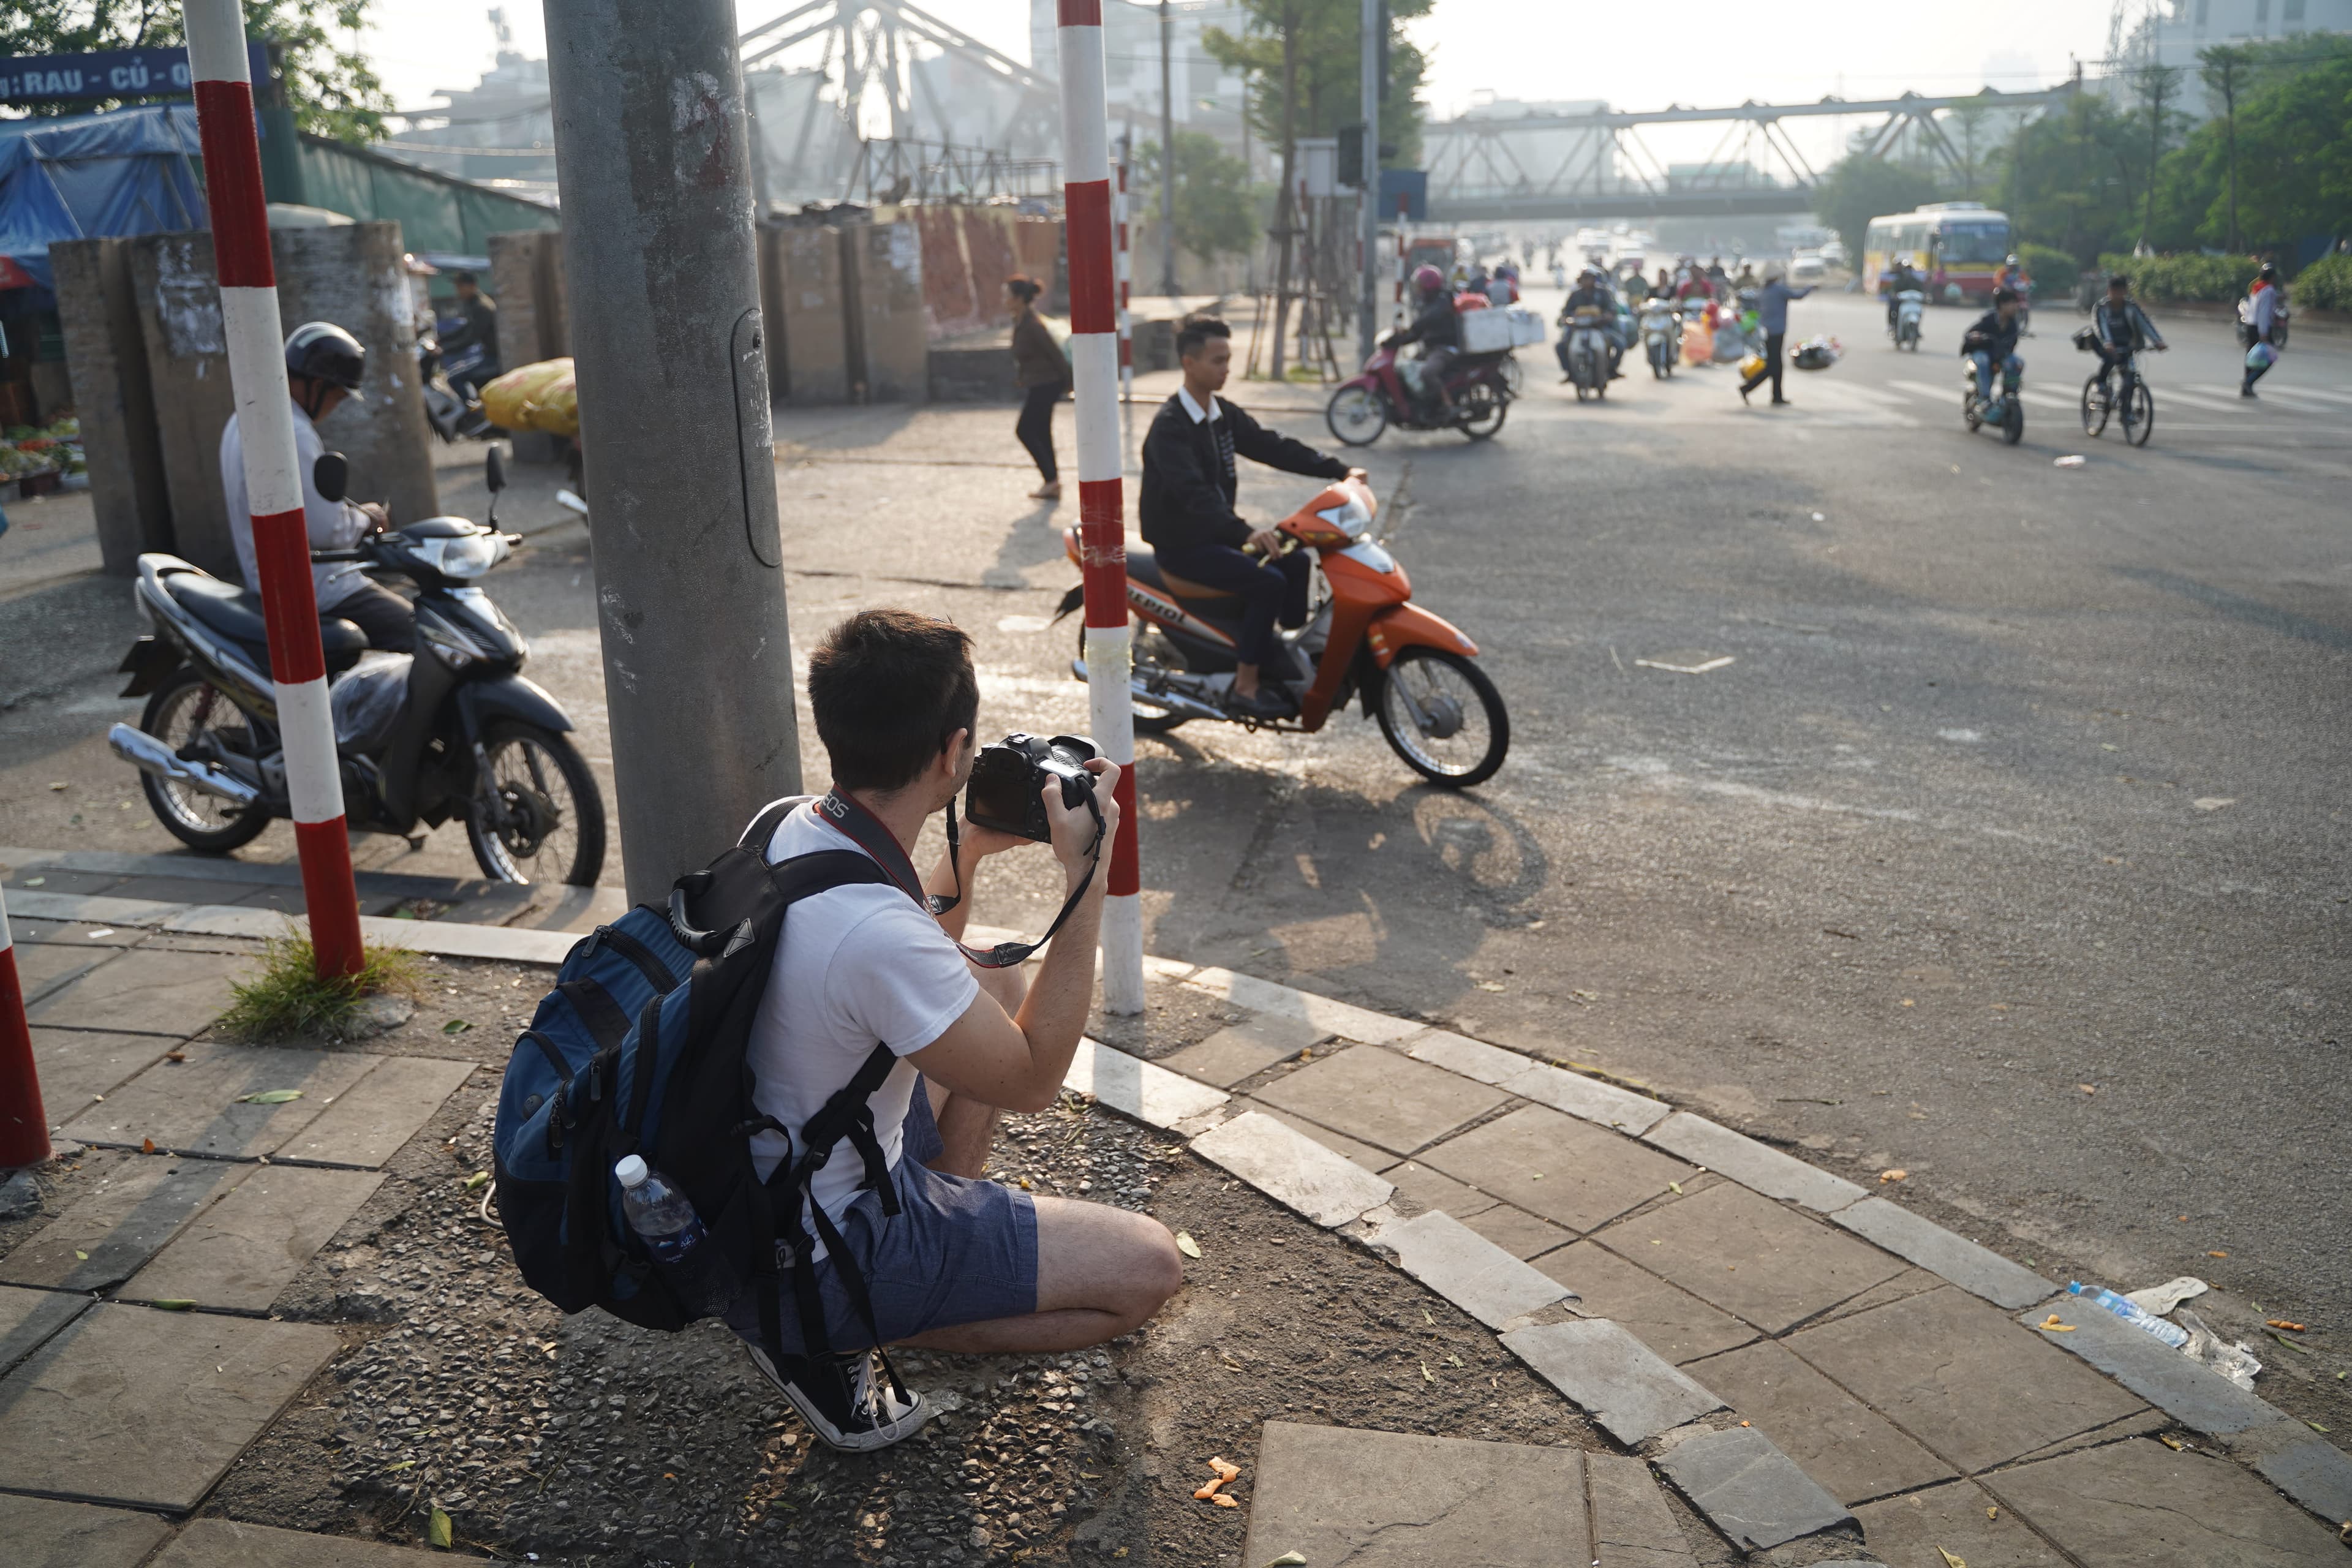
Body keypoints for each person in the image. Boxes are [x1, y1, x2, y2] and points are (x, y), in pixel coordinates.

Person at [728, 609, 1179, 1450]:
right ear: (952, 752)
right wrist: (1089, 880)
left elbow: (912, 952)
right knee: (1148, 1269)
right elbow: (1037, 1079)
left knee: (993, 975)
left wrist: (966, 854)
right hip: (825, 1242)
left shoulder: (792, 824)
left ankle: (933, 1259)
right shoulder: (875, 935)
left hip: (767, 1181)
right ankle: (835, 1327)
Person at [1139, 317, 1357, 719]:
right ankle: (1246, 685)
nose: (1226, 369)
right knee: (1267, 582)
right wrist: (1246, 532)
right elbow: (1194, 495)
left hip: (1214, 535)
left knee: (1295, 559)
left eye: (1228, 359)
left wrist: (1338, 470)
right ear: (1189, 363)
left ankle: (1279, 653)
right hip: (1182, 545)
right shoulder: (1170, 427)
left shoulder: (1221, 414)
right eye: (1217, 361)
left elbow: (1273, 446)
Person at [220, 323, 412, 653]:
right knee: (421, 631)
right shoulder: (293, 431)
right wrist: (367, 518)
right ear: (318, 385)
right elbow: (327, 530)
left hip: (270, 580)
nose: (334, 408)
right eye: (337, 398)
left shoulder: (245, 418)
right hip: (318, 588)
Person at [1006, 276, 1066, 500]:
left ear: (1019, 299)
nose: (1005, 300)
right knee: (1041, 431)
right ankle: (1052, 482)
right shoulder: (1021, 321)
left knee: (1025, 430)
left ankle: (1050, 479)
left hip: (1047, 384)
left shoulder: (1033, 325)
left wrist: (1069, 382)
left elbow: (1055, 354)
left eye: (1008, 295)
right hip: (1038, 383)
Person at [1393, 264, 1464, 417]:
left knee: (1427, 373)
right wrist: (1399, 340)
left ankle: (1448, 404)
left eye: (1419, 286)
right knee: (1406, 370)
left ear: (1428, 285)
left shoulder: (1443, 301)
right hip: (1431, 348)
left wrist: (1412, 327)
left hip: (1445, 348)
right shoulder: (1428, 303)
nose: (1417, 290)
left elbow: (1426, 321)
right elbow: (1418, 332)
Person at [1739, 261, 1812, 407]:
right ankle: (1747, 388)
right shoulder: (1779, 290)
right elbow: (1798, 296)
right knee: (1773, 366)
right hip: (1777, 331)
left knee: (1776, 365)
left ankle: (1777, 396)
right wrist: (1810, 288)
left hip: (1766, 331)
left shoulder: (1762, 292)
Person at [2090, 273, 2166, 410]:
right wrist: (2108, 343)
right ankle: (2100, 383)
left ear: (2125, 291)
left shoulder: (2131, 307)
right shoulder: (2102, 308)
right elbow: (2100, 327)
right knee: (2110, 359)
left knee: (2129, 378)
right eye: (2114, 291)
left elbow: (2145, 324)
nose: (2117, 295)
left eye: (2120, 291)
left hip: (2126, 345)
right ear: (2109, 291)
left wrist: (2158, 341)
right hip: (2104, 344)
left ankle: (2126, 411)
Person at [437, 271, 500, 397]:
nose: (458, 291)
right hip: (487, 356)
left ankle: (472, 414)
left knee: (455, 378)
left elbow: (471, 338)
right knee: (454, 372)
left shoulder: (482, 307)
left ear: (472, 286)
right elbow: (465, 329)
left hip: (494, 359)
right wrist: (440, 340)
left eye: (461, 287)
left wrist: (443, 350)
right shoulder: (474, 304)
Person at [1961, 287, 2026, 405]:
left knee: (2018, 362)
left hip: (2001, 354)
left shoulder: (2013, 323)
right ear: (2002, 304)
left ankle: (2010, 393)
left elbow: (2012, 344)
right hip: (1983, 352)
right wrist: (1975, 336)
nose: (2015, 307)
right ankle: (1984, 397)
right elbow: (1969, 333)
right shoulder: (1988, 319)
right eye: (2012, 303)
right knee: (1983, 361)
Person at [1558, 268, 1623, 380]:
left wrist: (1607, 315)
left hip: (1599, 328)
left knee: (1620, 345)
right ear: (1580, 280)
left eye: (1590, 278)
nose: (1587, 281)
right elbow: (1566, 311)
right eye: (1585, 279)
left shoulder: (1603, 293)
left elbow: (1611, 307)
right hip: (1577, 329)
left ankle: (1611, 370)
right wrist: (1566, 318)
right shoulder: (1575, 295)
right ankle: (1570, 373)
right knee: (1560, 347)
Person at [2242, 261, 2285, 398]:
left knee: (2251, 358)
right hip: (2260, 328)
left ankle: (2247, 387)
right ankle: (2248, 382)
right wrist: (2264, 333)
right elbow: (2264, 312)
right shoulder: (2269, 290)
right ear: (2272, 277)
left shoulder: (2257, 287)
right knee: (2269, 358)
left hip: (2250, 325)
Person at [1882, 252, 1925, 332]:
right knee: (1892, 307)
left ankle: (1917, 329)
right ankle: (1892, 325)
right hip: (1900, 301)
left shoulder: (1915, 281)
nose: (1908, 272)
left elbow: (1921, 291)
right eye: (1907, 270)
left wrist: (1925, 296)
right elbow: (1894, 290)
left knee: (1920, 311)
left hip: (1911, 302)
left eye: (1910, 270)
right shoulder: (1899, 280)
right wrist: (1894, 295)